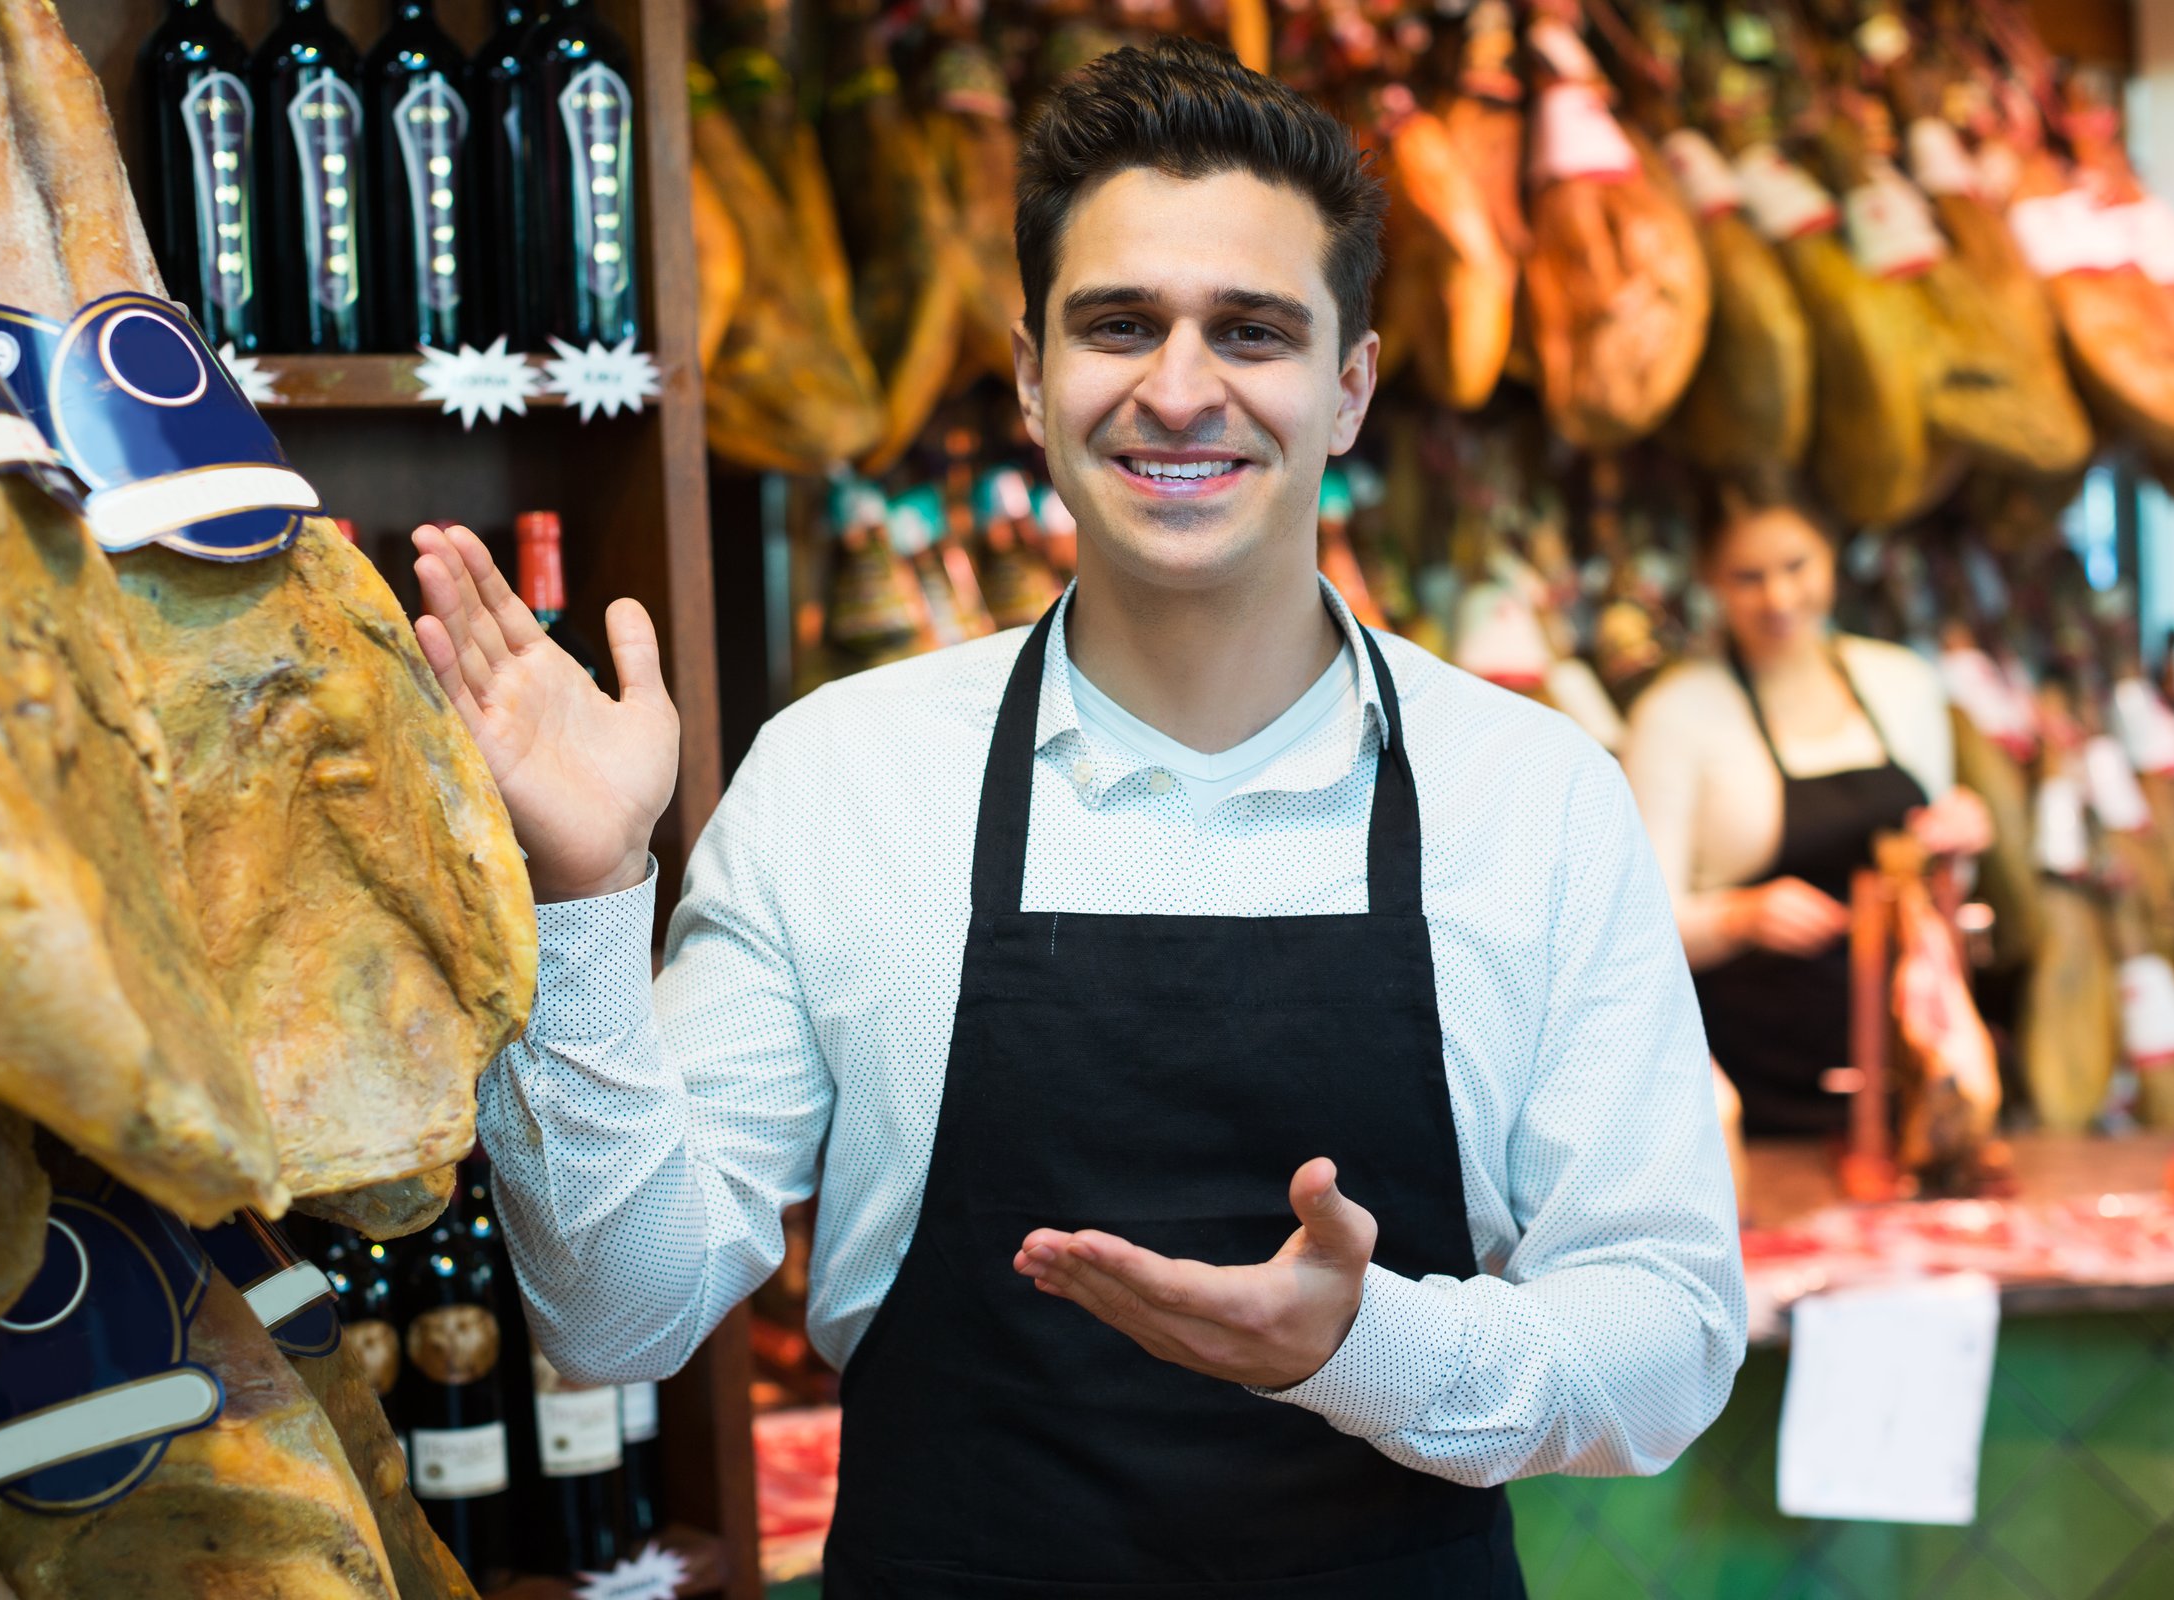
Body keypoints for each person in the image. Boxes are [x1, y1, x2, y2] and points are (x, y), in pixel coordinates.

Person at [410, 41, 1742, 1595]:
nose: (1180, 388)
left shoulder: (1533, 795)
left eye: (1251, 331)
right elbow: (618, 1312)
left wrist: (1368, 1345)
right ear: (1035, 375)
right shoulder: (848, 777)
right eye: (1120, 326)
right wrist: (583, 891)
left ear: (1350, 387)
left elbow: (1668, 1334)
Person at [1623, 477, 1994, 1138]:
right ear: (1709, 578)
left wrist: (1955, 847)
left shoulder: (1903, 685)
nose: (1779, 597)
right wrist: (1741, 916)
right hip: (1751, 1089)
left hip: (1914, 1077)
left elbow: (1940, 891)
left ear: (1832, 555)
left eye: (1797, 566)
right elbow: (1635, 930)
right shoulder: (1674, 716)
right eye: (1748, 577)